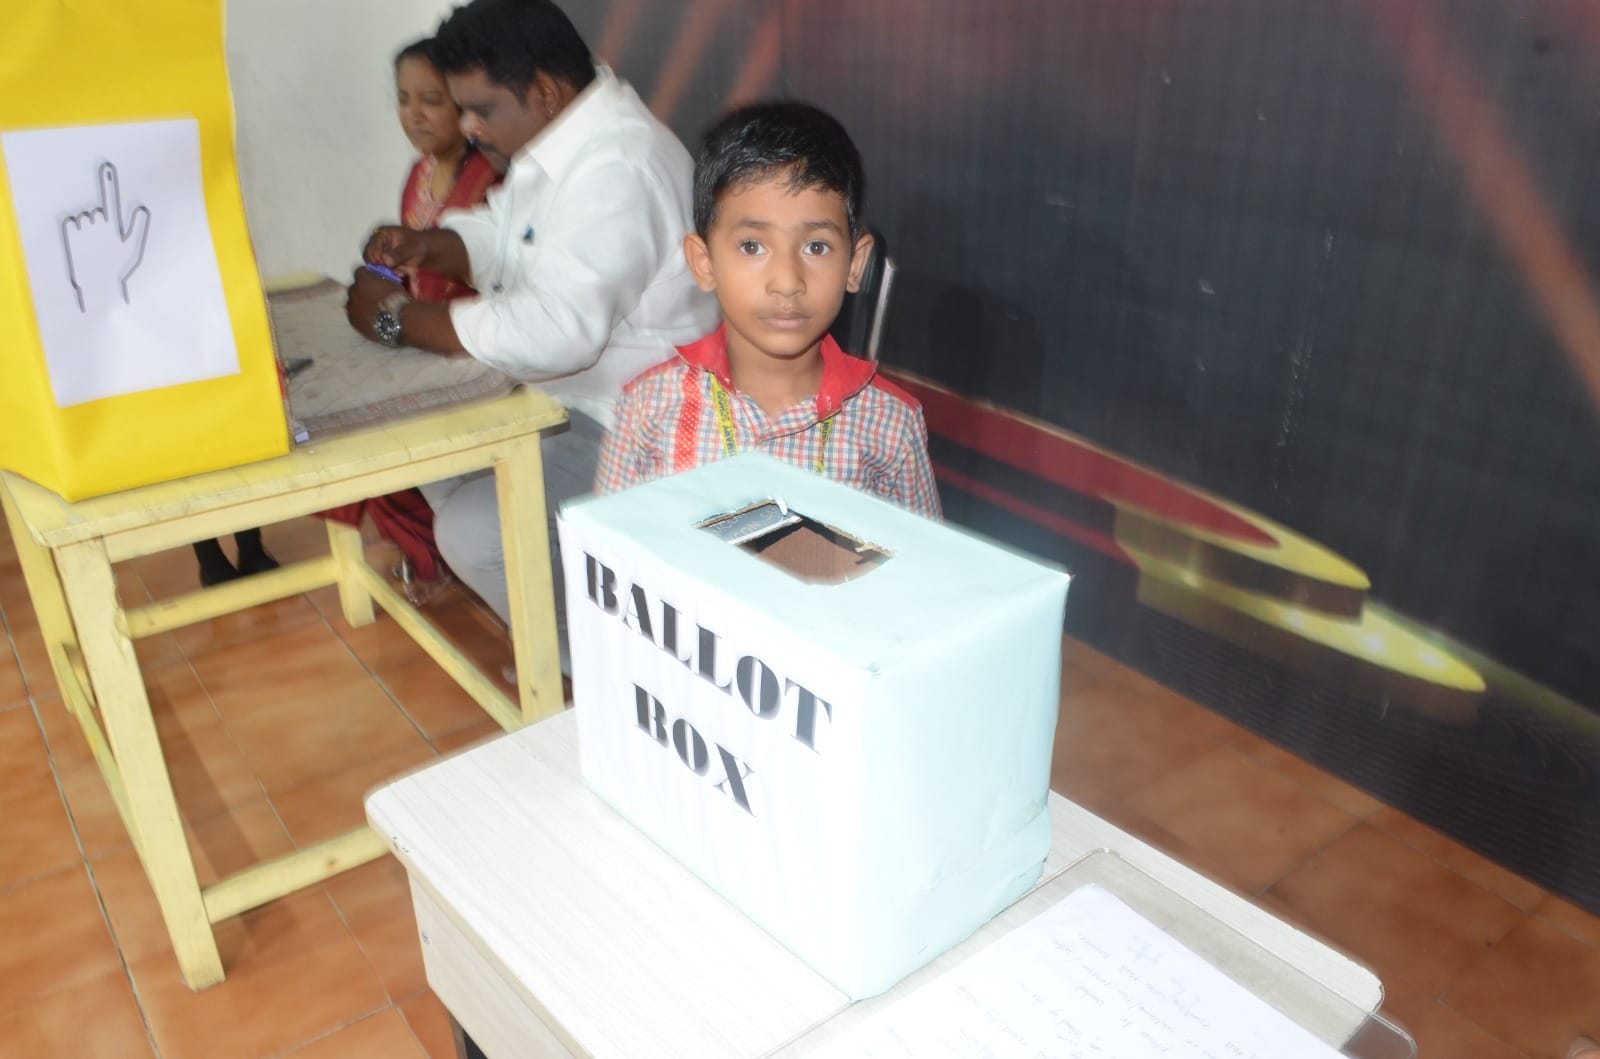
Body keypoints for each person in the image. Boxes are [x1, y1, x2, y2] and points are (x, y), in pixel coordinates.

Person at [343, 0, 716, 662]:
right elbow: (507, 232)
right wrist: (430, 246)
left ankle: (586, 670)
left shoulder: (618, 167)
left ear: (543, 91)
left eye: (480, 109)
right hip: (566, 400)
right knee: (424, 448)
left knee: (474, 532)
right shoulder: (559, 139)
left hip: (638, 423)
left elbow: (555, 331)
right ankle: (576, 614)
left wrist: (399, 320)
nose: (467, 126)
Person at [594, 102, 941, 521]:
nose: (787, 281)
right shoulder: (647, 408)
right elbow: (606, 546)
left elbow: (924, 558)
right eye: (752, 246)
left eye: (816, 247)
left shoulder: (890, 425)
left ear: (854, 264)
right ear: (704, 263)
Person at [321, 37, 500, 603]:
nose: (414, 114)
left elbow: (488, 283)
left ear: (464, 106)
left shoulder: (490, 180)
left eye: (431, 100)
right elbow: (414, 275)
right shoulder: (418, 176)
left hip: (469, 347)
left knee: (386, 433)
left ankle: (437, 555)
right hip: (421, 338)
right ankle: (426, 552)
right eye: (404, 100)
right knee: (349, 420)